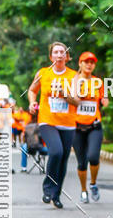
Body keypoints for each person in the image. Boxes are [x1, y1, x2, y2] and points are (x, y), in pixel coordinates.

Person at [27, 41, 78, 208]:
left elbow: (77, 101)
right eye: (56, 52)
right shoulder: (43, 73)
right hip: (47, 120)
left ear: (67, 57)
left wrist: (66, 96)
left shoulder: (74, 76)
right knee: (56, 152)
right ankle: (47, 189)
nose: (59, 55)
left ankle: (56, 195)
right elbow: (32, 90)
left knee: (63, 159)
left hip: (68, 123)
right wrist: (32, 103)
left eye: (62, 52)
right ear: (51, 56)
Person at [70, 51, 109, 203]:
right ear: (80, 64)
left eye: (92, 62)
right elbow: (69, 100)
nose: (89, 64)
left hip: (94, 126)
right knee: (81, 162)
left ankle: (93, 184)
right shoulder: (72, 81)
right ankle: (83, 190)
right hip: (77, 127)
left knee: (93, 157)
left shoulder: (98, 82)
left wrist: (105, 100)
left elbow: (104, 98)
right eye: (86, 61)